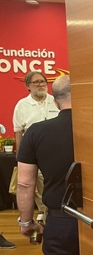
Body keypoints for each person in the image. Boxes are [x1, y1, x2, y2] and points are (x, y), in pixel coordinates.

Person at [16, 74, 80, 255]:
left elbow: (26, 184)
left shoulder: (36, 133)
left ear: (54, 100)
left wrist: (26, 221)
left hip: (59, 222)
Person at [13, 71, 60, 214]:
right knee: (41, 194)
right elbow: (18, 132)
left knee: (56, 190)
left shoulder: (55, 100)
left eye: (43, 81)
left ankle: (52, 217)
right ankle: (45, 218)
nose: (41, 85)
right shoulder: (22, 105)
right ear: (28, 86)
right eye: (36, 82)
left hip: (57, 156)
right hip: (35, 158)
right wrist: (21, 158)